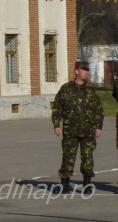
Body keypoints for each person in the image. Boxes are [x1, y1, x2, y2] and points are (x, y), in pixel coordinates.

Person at [52, 60, 104, 194]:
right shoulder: (66, 89)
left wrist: (98, 126)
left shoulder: (91, 89)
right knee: (68, 157)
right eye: (84, 69)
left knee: (87, 158)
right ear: (76, 71)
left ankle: (87, 184)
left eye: (87, 70)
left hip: (88, 130)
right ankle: (65, 184)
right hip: (70, 130)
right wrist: (56, 124)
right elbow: (58, 107)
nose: (87, 72)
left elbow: (98, 109)